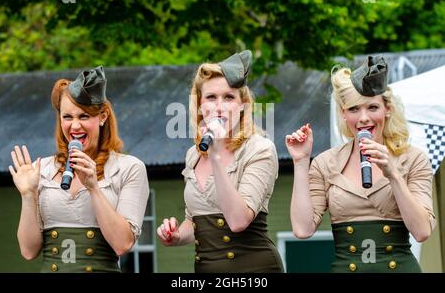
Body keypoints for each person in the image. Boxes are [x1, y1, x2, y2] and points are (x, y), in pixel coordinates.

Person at [285, 55, 435, 272]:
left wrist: (393, 174)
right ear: (343, 114)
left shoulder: (413, 158)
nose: (363, 118)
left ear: (387, 109)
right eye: (354, 109)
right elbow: (302, 229)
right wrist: (300, 162)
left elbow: (422, 232)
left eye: (372, 107)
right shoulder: (326, 162)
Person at [9, 66, 149, 273]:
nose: (75, 127)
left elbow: (123, 244)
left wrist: (93, 188)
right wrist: (28, 195)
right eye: (67, 117)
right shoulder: (42, 170)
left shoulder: (129, 168)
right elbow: (28, 251)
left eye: (84, 116)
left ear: (102, 116)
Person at [157, 50, 284, 273]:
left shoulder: (259, 149)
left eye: (229, 97)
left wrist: (215, 158)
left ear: (243, 105)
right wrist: (177, 236)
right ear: (199, 105)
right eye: (211, 97)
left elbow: (238, 221)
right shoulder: (194, 155)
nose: (219, 106)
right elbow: (194, 220)